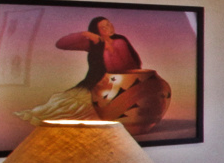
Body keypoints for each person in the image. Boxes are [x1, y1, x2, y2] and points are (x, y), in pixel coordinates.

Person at [16, 17, 146, 124]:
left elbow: (126, 67)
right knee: (60, 102)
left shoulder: (120, 41)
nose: (109, 28)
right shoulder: (94, 43)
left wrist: (110, 50)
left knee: (80, 109)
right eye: (103, 27)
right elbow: (61, 44)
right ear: (97, 31)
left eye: (109, 24)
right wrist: (85, 34)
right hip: (91, 83)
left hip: (115, 84)